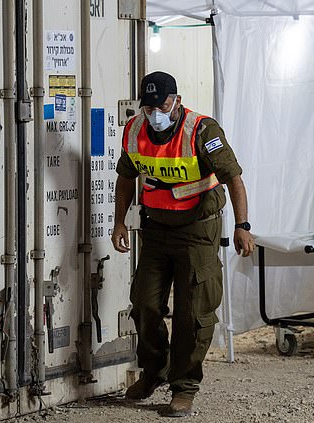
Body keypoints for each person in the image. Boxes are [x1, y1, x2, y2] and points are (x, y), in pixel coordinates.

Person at [111, 71, 254, 417]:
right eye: (148, 107)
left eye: (161, 105)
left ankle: (184, 387)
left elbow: (233, 178)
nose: (154, 113)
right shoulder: (134, 131)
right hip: (156, 230)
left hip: (198, 231)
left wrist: (242, 225)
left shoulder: (202, 131)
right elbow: (126, 178)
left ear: (176, 101)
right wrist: (119, 221)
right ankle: (153, 372)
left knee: (194, 314)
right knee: (144, 304)